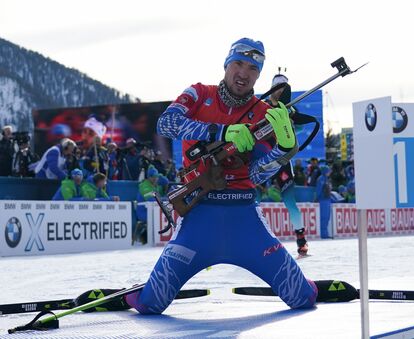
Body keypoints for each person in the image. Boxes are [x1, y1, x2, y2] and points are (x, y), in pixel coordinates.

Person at [122, 38, 319, 315]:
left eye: (253, 68)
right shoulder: (199, 94)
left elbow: (256, 174)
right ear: (227, 64)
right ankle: (135, 292)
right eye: (238, 63)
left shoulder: (264, 113)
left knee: (303, 297)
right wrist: (220, 132)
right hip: (198, 218)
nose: (244, 72)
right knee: (150, 304)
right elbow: (165, 123)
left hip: (245, 218)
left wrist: (284, 150)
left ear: (259, 74)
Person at [265, 73, 308, 255]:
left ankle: (301, 239)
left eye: (285, 87)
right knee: (251, 198)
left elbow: (301, 127)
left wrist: (291, 122)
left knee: (290, 201)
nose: (283, 91)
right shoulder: (262, 106)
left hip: (282, 160)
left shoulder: (289, 108)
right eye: (279, 87)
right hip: (261, 158)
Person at [315, 165, 333, 238]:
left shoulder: (326, 179)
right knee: (323, 217)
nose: (330, 172)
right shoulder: (321, 179)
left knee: (327, 217)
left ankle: (325, 233)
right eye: (328, 171)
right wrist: (317, 198)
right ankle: (323, 234)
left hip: (327, 200)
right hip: (323, 200)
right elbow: (318, 190)